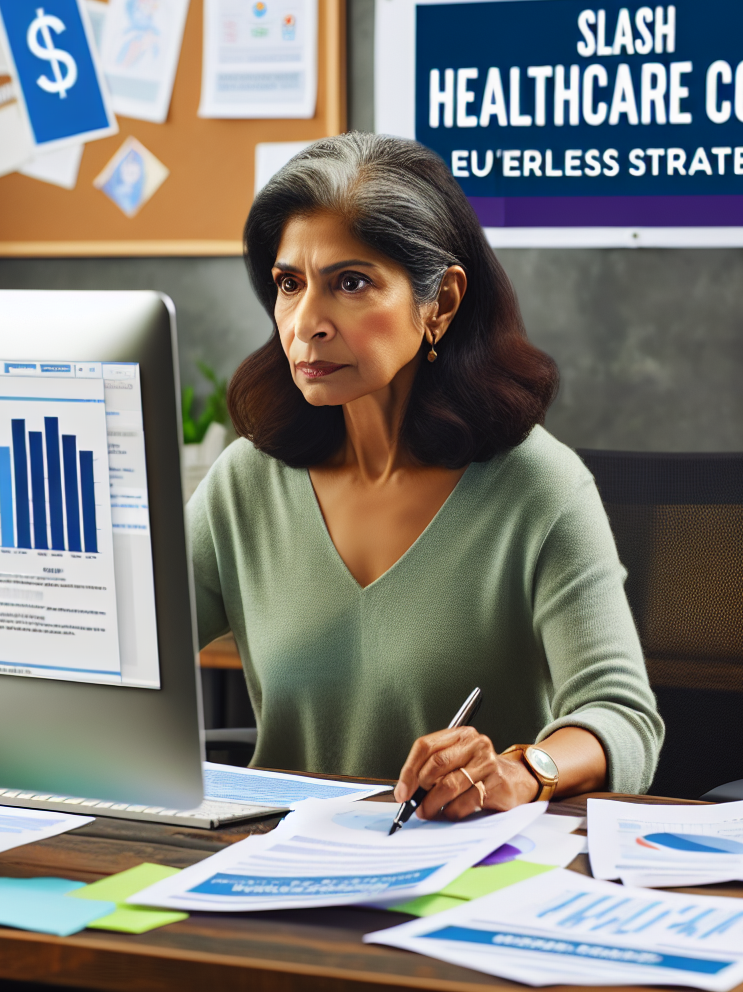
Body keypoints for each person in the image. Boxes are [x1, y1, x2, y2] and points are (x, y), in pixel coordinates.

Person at [188, 132, 664, 820]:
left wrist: (526, 769)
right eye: (290, 283)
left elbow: (622, 717)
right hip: (276, 862)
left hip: (466, 872)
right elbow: (127, 651)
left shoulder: (539, 486)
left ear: (440, 301)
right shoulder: (247, 481)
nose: (306, 323)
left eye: (350, 283)